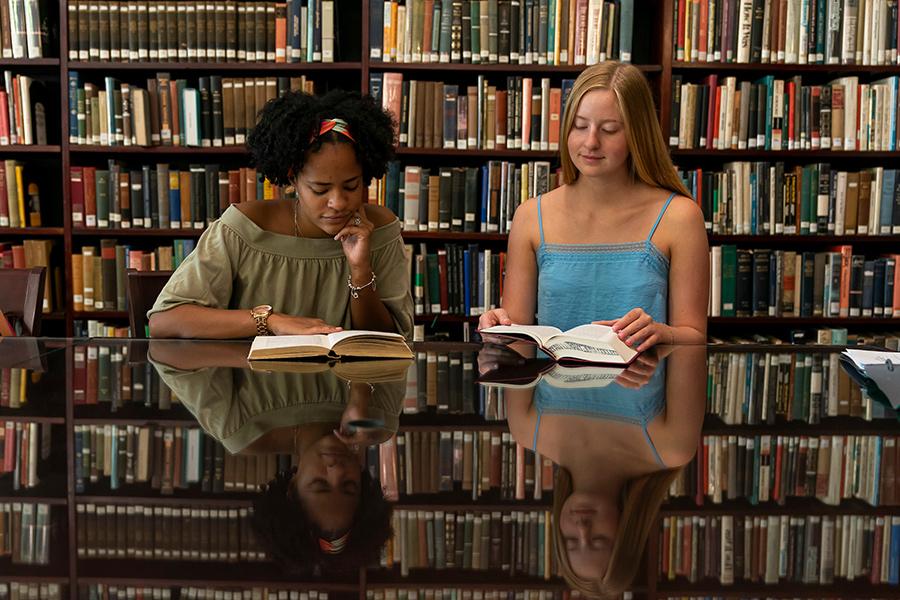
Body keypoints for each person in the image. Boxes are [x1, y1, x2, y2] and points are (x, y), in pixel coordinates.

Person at [478, 62, 708, 352]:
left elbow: (694, 334)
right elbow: (519, 337)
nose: (590, 142)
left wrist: (664, 334)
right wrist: (498, 326)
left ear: (637, 134)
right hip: (553, 395)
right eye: (580, 125)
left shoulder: (679, 217)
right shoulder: (530, 216)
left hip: (640, 389)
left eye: (609, 130)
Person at [147, 89, 413, 340]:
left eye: (351, 186)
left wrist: (360, 270)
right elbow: (165, 321)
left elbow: (391, 341)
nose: (338, 202)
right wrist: (270, 321)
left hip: (350, 386)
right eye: (320, 189)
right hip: (255, 385)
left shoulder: (381, 231)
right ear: (292, 179)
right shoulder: (243, 229)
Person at [149, 339, 408, 575]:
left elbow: (166, 350)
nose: (336, 469)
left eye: (320, 484)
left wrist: (265, 346)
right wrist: (360, 392)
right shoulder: (377, 423)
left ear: (292, 489)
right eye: (349, 486)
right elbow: (392, 338)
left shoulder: (238, 427)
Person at [488, 343, 706, 597]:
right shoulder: (673, 446)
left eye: (570, 541)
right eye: (598, 539)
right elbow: (690, 342)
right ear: (626, 534)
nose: (582, 528)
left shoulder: (526, 431)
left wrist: (495, 348)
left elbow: (518, 333)